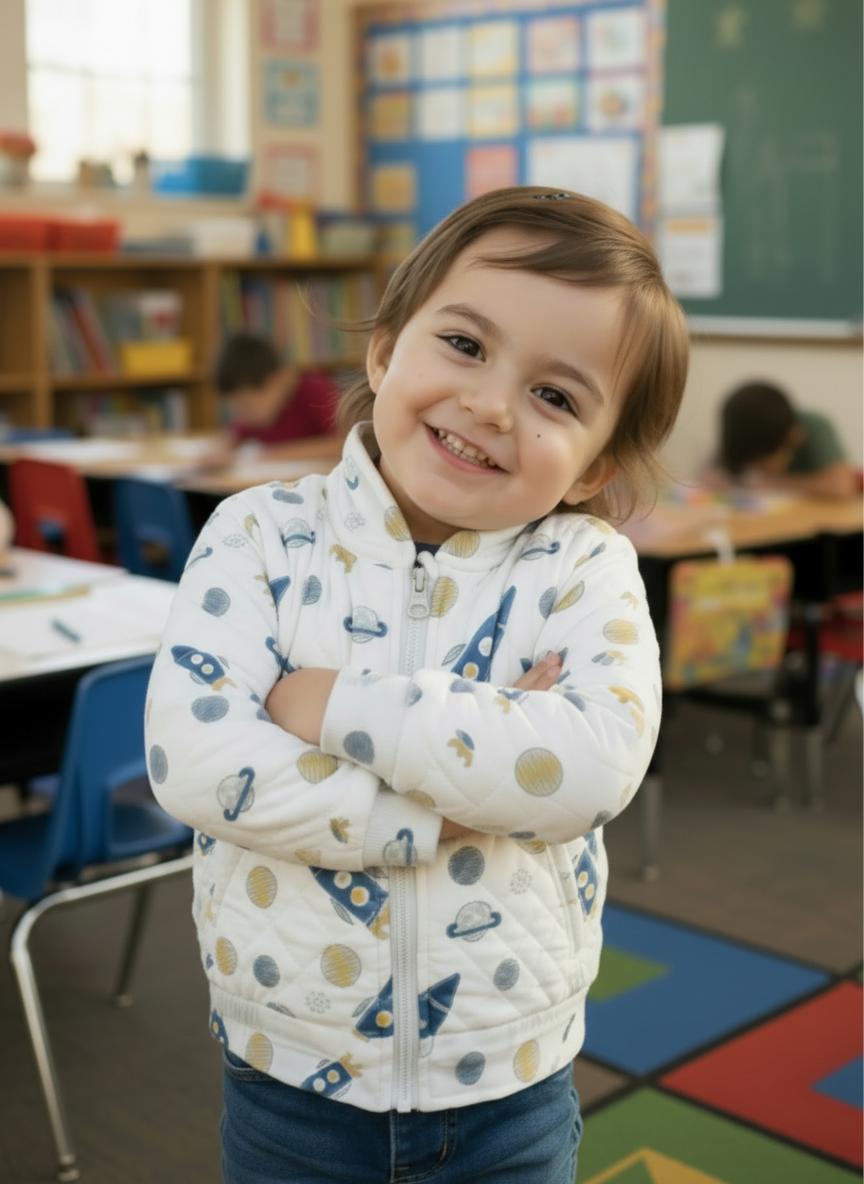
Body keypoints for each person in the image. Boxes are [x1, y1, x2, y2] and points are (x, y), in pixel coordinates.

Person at [145, 186, 689, 1184]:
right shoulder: (261, 535)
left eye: (555, 396)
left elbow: (588, 766)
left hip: (508, 1083)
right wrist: (446, 802)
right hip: (288, 1074)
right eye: (467, 345)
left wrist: (327, 707)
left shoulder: (584, 566)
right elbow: (196, 759)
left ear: (593, 461)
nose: (490, 404)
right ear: (386, 350)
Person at [201, 332, 343, 467]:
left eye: (246, 405)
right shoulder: (255, 414)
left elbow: (343, 443)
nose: (241, 415)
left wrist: (271, 455)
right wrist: (220, 451)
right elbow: (234, 434)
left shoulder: (316, 392)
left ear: (278, 380)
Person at [716, 381, 857, 499]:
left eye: (763, 460)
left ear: (795, 436)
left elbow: (842, 487)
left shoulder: (813, 425)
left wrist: (771, 482)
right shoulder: (744, 432)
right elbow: (714, 476)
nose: (760, 466)